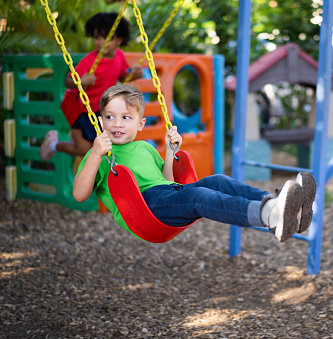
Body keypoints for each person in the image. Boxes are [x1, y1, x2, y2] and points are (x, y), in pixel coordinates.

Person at [73, 85, 317, 242]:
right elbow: (80, 195)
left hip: (168, 194)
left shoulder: (145, 147)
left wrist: (170, 153)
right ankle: (270, 216)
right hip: (145, 210)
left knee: (217, 180)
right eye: (110, 117)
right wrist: (94, 155)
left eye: (126, 118)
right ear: (100, 120)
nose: (117, 123)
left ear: (140, 123)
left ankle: (278, 204)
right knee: (200, 196)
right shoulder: (102, 154)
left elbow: (166, 181)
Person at [40, 12, 144, 161]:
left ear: (119, 40)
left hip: (98, 110)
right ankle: (53, 145)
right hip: (79, 107)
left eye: (106, 38)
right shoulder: (90, 61)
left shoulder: (119, 56)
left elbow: (122, 76)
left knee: (100, 147)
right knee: (83, 148)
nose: (100, 42)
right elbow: (68, 81)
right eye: (96, 37)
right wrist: (81, 81)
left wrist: (135, 74)